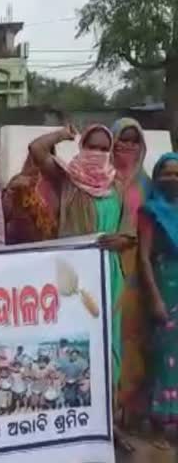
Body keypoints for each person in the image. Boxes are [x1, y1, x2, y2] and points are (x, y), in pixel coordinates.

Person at [29, 123, 134, 448]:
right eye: (93, 146)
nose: (98, 154)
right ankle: (73, 423)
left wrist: (116, 241)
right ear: (82, 146)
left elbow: (129, 235)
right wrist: (62, 133)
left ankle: (106, 424)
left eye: (105, 148)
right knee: (76, 345)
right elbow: (36, 150)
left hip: (109, 277)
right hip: (74, 280)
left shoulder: (118, 186)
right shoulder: (67, 179)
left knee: (108, 348)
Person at [110, 118, 151, 422]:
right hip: (108, 268)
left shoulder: (149, 185)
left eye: (133, 140)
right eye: (121, 139)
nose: (126, 145)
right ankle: (109, 410)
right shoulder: (100, 178)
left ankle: (131, 410)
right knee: (111, 334)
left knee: (134, 336)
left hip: (139, 269)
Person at [138, 153, 178, 448]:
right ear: (156, 176)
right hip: (164, 284)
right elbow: (144, 258)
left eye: (177, 174)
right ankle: (158, 425)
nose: (172, 180)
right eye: (166, 174)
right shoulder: (151, 211)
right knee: (163, 357)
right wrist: (154, 298)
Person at [2, 152, 59, 244]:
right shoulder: (18, 180)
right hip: (20, 244)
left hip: (50, 245)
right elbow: (4, 214)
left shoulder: (56, 184)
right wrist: (11, 190)